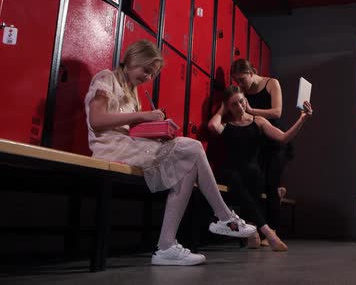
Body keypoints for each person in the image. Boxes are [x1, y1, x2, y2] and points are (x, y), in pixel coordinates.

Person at [84, 40, 256, 266]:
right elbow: (97, 121)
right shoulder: (106, 78)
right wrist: (142, 116)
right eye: (146, 70)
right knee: (193, 148)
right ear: (132, 60)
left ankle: (166, 246)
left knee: (187, 167)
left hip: (130, 146)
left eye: (151, 74)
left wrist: (156, 132)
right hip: (109, 147)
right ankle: (224, 216)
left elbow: (131, 129)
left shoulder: (132, 92)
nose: (147, 77)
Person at [208, 85, 313, 252]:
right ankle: (268, 232)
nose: (240, 107)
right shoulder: (226, 124)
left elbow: (284, 138)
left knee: (255, 175)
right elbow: (213, 126)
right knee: (236, 177)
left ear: (246, 100)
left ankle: (252, 229)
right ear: (228, 107)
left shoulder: (258, 121)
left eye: (241, 102)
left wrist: (303, 119)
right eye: (234, 104)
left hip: (251, 172)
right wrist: (221, 109)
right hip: (229, 171)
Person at [230, 59, 292, 246]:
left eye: (242, 79)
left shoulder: (271, 83)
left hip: (276, 141)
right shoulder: (242, 91)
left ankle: (271, 230)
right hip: (258, 143)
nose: (240, 85)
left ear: (250, 73)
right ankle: (255, 229)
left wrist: (251, 111)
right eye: (236, 81)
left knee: (271, 185)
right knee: (256, 184)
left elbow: (277, 112)